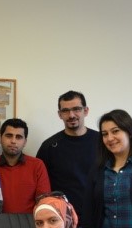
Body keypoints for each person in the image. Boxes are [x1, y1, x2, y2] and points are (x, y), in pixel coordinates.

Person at [36, 91, 99, 219]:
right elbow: (40, 186)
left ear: (86, 111)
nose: (71, 115)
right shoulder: (49, 146)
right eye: (65, 111)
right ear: (60, 114)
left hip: (98, 216)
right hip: (62, 218)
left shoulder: (102, 142)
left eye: (76, 109)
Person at [0, 118, 50, 213]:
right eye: (9, 136)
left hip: (29, 221)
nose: (13, 141)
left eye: (18, 137)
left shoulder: (37, 165)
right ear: (0, 138)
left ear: (25, 142)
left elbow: (44, 201)